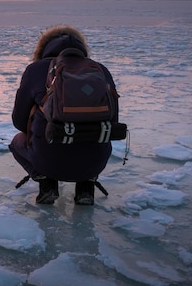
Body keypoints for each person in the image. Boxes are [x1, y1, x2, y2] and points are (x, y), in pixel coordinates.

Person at [9, 25, 119, 205]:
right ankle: (86, 188)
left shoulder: (35, 70)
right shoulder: (100, 70)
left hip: (48, 158)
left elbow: (19, 121)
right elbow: (113, 121)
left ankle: (46, 183)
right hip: (94, 161)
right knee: (97, 136)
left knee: (17, 142)